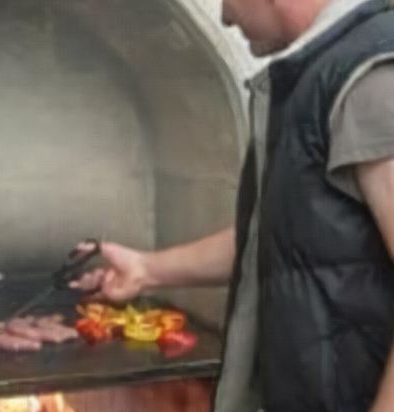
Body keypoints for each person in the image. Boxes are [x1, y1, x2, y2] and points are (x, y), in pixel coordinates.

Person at [71, 0, 394, 411]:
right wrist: (148, 269)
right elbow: (283, 233)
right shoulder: (321, 73)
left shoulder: (372, 78)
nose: (223, 16)